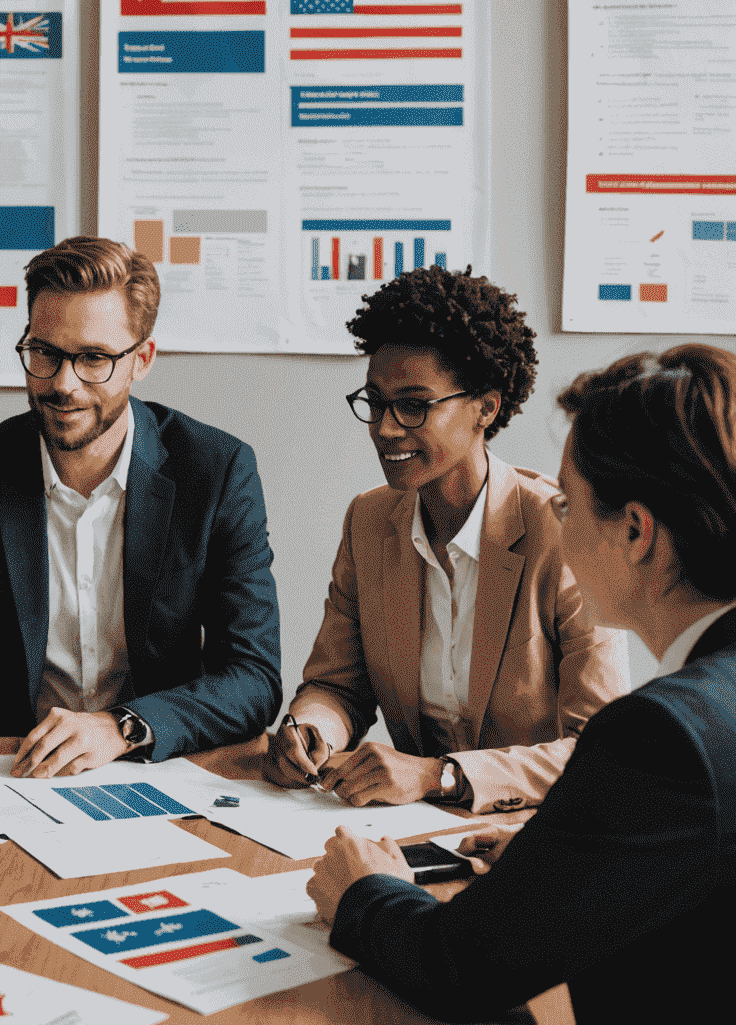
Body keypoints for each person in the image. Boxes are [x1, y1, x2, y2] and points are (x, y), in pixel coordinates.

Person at [307, 344, 736, 1025]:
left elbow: (459, 968)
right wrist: (567, 857)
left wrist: (363, 893)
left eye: (569, 505)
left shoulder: (663, 734)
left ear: (636, 532)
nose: (556, 523)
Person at [0, 235, 281, 778]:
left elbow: (252, 676)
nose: (63, 384)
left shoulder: (216, 471)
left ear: (142, 359)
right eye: (45, 353)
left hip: (161, 765)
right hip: (12, 769)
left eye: (94, 359)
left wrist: (121, 727)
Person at [263, 267, 627, 813]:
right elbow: (339, 685)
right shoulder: (369, 521)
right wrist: (313, 730)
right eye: (376, 402)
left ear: (486, 406)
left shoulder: (564, 531)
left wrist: (441, 777)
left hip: (534, 837)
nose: (385, 428)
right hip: (405, 827)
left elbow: (600, 753)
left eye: (413, 405)